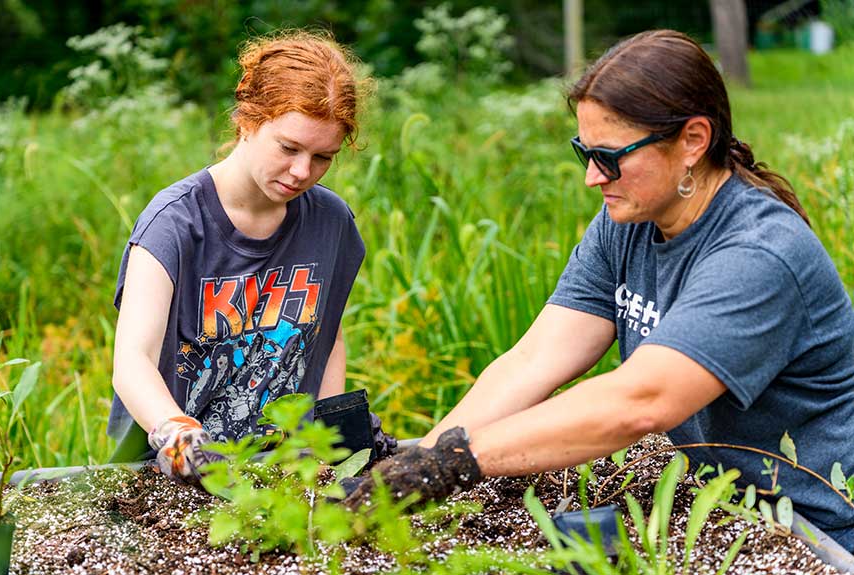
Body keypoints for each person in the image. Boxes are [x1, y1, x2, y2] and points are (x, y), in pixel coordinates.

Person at [345, 30, 854, 551]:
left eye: (610, 157)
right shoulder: (629, 220)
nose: (592, 177)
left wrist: (455, 463)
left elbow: (640, 402)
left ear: (693, 141)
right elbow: (534, 360)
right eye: (584, 152)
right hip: (715, 501)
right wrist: (418, 464)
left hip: (811, 525)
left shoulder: (758, 254)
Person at [108, 31, 374, 483]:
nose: (301, 172)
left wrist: (328, 442)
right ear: (247, 121)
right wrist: (178, 436)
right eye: (289, 148)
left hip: (284, 474)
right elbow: (133, 359)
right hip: (173, 476)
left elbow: (328, 338)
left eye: (323, 157)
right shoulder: (175, 223)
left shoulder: (330, 223)